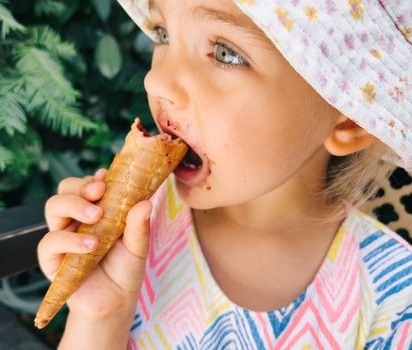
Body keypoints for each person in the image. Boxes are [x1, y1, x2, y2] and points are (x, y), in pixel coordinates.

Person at [37, 0, 412, 348]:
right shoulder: (130, 232)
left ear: (348, 116)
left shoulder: (394, 301)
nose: (156, 81)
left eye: (225, 54)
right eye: (162, 34)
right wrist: (100, 316)